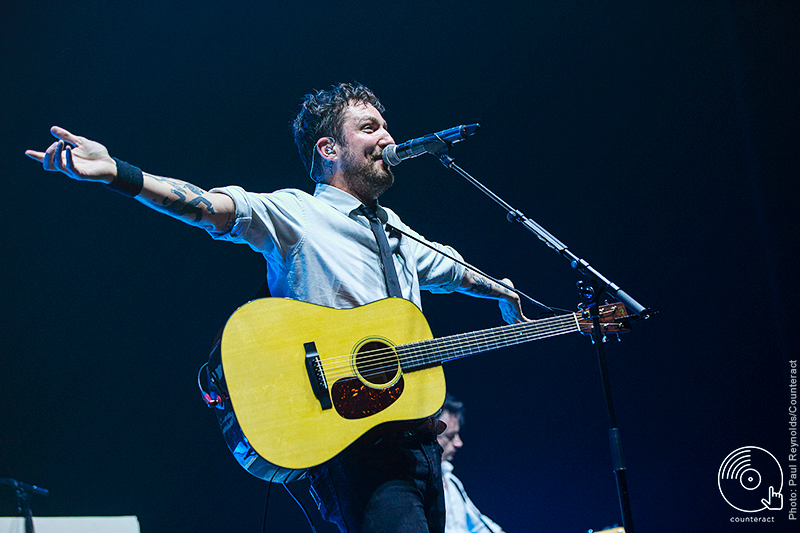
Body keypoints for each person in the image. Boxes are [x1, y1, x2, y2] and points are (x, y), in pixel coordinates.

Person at [25, 82, 527, 533]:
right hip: (348, 437)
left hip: (416, 441)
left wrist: (500, 289)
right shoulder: (297, 213)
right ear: (329, 149)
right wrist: (119, 173)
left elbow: (452, 270)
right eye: (369, 128)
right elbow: (206, 206)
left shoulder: (394, 228)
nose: (387, 139)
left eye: (387, 127)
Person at [438, 395, 505, 533]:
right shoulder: (416, 486)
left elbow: (480, 525)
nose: (459, 443)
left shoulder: (452, 482)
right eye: (450, 436)